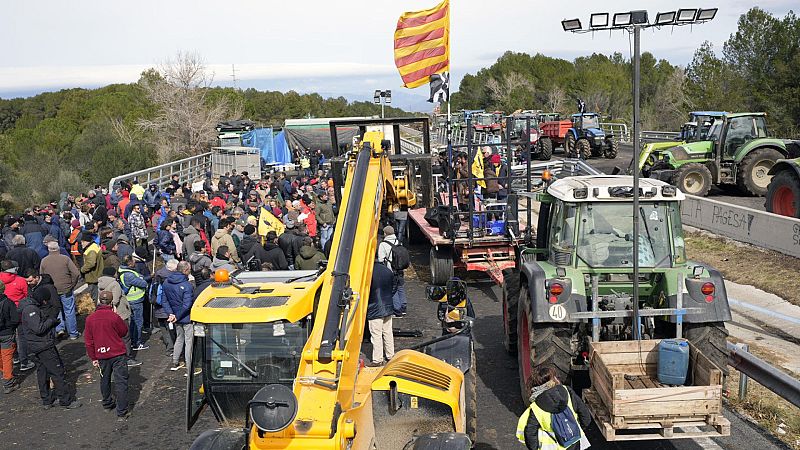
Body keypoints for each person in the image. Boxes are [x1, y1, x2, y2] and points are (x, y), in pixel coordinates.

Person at [19, 288, 81, 409]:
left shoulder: (29, 307)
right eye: (45, 300)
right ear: (41, 299)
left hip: (36, 346)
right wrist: (51, 321)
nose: (46, 303)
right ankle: (65, 400)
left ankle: (47, 399)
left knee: (43, 372)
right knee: (57, 372)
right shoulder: (31, 309)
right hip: (43, 345)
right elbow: (38, 328)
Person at [516, 365, 592, 450]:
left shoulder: (536, 407)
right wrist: (574, 428)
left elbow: (530, 432)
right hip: (574, 443)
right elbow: (586, 417)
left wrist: (534, 448)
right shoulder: (567, 391)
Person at [84, 290, 130, 420]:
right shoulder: (114, 317)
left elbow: (88, 341)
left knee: (104, 379)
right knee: (121, 381)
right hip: (117, 353)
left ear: (99, 301)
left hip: (101, 354)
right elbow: (123, 331)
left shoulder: (90, 319)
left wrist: (93, 357)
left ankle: (107, 403)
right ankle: (122, 411)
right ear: (111, 303)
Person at [40, 241, 81, 339]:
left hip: (52, 290)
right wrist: (72, 284)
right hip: (66, 288)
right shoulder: (65, 259)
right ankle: (73, 333)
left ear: (48, 249)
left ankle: (60, 329)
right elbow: (76, 273)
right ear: (58, 248)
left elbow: (41, 276)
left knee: (56, 309)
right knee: (69, 311)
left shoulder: (44, 261)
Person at [162, 261, 194, 374]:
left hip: (174, 316)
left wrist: (171, 314)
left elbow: (164, 301)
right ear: (185, 270)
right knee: (189, 341)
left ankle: (175, 360)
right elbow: (187, 305)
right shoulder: (187, 285)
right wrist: (176, 315)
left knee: (179, 338)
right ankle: (189, 364)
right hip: (186, 317)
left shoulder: (166, 282)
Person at [366, 260, 395, 367]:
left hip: (374, 306)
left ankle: (377, 359)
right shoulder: (387, 270)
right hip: (388, 305)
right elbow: (394, 286)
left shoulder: (368, 272)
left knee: (376, 334)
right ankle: (390, 355)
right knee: (387, 331)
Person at [118, 255, 149, 352]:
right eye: (133, 261)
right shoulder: (129, 275)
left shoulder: (123, 271)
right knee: (138, 322)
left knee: (133, 322)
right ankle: (137, 342)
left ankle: (132, 340)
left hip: (130, 300)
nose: (135, 262)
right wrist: (145, 279)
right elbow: (142, 283)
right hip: (135, 300)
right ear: (129, 263)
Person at [377, 226, 407, 317]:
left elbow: (381, 259)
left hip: (390, 271)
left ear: (385, 233)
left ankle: (397, 311)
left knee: (392, 291)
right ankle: (403, 307)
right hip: (400, 269)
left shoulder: (383, 244)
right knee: (400, 288)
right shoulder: (398, 242)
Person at [0, 281, 20, 393]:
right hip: (7, 333)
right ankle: (8, 382)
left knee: (1, 357)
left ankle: (5, 373)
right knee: (7, 357)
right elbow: (15, 319)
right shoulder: (8, 302)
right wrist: (11, 327)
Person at [80, 231, 104, 302]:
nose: (81, 244)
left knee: (93, 297)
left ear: (86, 241)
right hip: (97, 275)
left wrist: (82, 270)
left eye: (82, 242)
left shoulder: (91, 250)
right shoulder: (94, 246)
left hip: (93, 277)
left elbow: (91, 263)